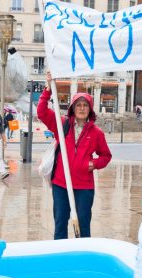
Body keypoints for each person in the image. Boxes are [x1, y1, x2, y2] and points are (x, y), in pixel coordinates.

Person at [39, 72, 112, 239]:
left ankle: (82, 256)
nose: (81, 108)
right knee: (60, 224)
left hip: (84, 187)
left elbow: (106, 156)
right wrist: (48, 89)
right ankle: (60, 257)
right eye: (78, 105)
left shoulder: (96, 133)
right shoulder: (62, 123)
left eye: (85, 105)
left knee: (83, 225)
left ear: (90, 109)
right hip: (61, 184)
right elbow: (42, 112)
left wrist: (93, 163)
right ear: (72, 107)